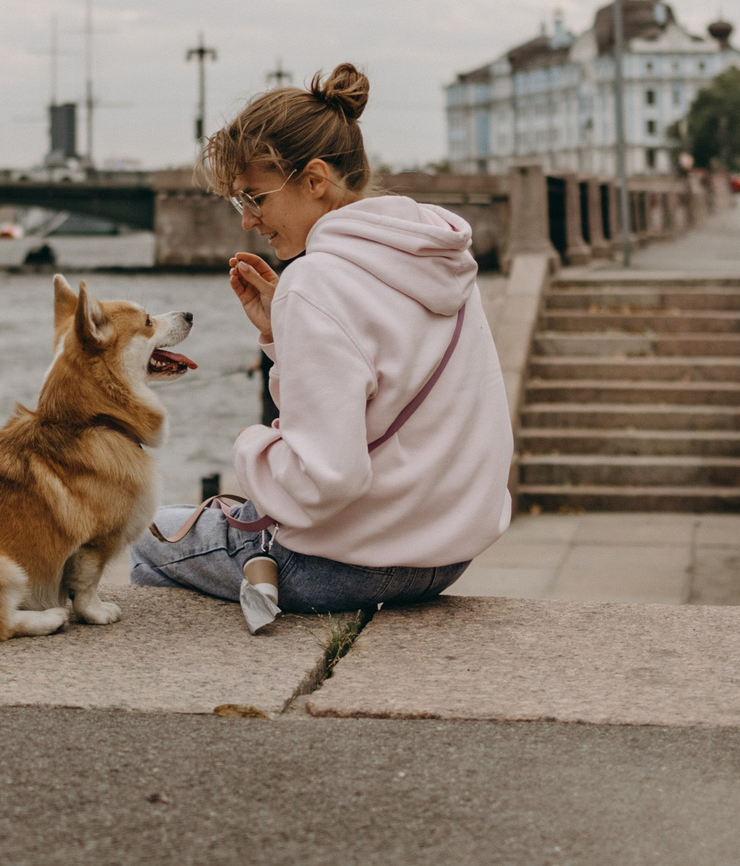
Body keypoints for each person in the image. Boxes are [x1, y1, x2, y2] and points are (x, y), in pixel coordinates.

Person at [129, 64, 513, 625]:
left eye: (255, 198)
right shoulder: (435, 258)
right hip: (447, 555)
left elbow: (326, 479)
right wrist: (284, 332)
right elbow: (389, 384)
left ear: (314, 180)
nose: (249, 222)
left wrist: (251, 449)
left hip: (345, 564)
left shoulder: (315, 282)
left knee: (147, 535)